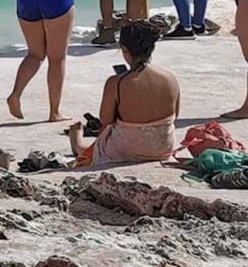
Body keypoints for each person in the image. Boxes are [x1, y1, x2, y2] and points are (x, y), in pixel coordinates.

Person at [67, 22, 179, 167]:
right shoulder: (170, 78)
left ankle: (77, 142)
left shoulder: (116, 82)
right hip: (162, 148)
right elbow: (175, 114)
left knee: (99, 141)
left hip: (127, 149)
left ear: (125, 49)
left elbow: (106, 120)